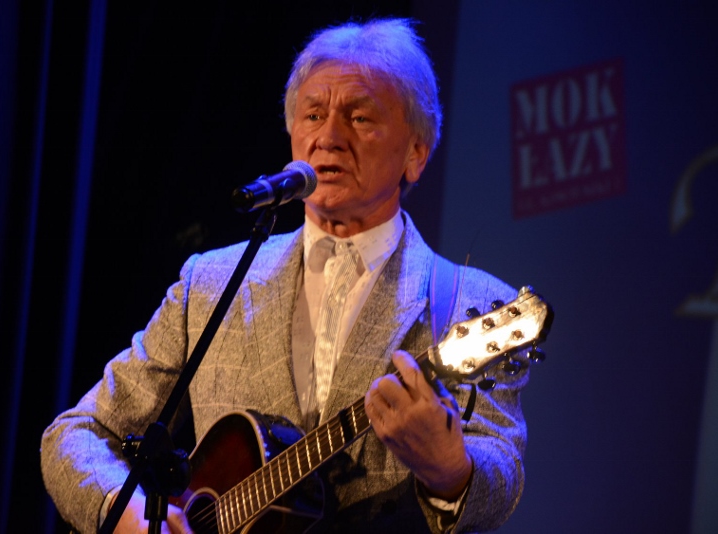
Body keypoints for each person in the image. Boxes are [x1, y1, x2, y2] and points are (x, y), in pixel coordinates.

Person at [41, 17, 530, 533]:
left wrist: (450, 470)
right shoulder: (210, 284)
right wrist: (132, 519)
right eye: (313, 115)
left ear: (416, 153)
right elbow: (77, 433)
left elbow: (500, 475)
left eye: (360, 117)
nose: (329, 137)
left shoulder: (473, 304)